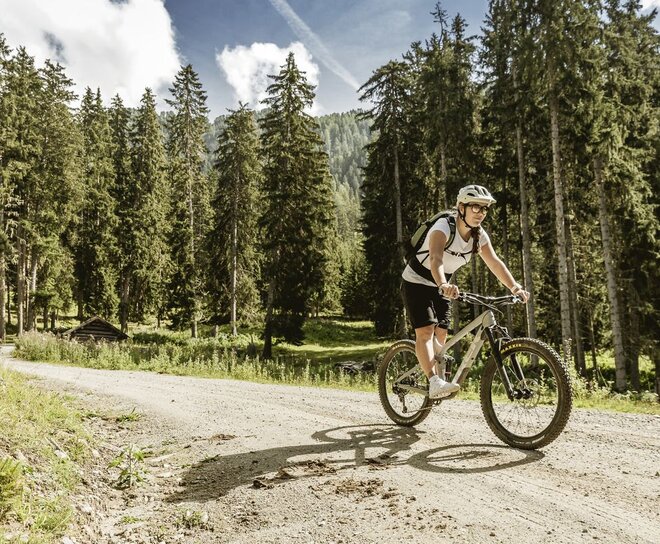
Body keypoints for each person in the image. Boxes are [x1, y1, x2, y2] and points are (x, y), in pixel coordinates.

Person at [401, 185, 530, 399]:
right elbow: (435, 259)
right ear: (461, 208)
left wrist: (515, 287)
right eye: (475, 207)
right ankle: (433, 381)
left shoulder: (479, 235)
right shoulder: (443, 227)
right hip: (417, 280)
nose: (481, 213)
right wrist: (443, 284)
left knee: (442, 334)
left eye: (484, 209)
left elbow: (494, 262)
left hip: (442, 285)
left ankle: (436, 375)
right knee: (425, 331)